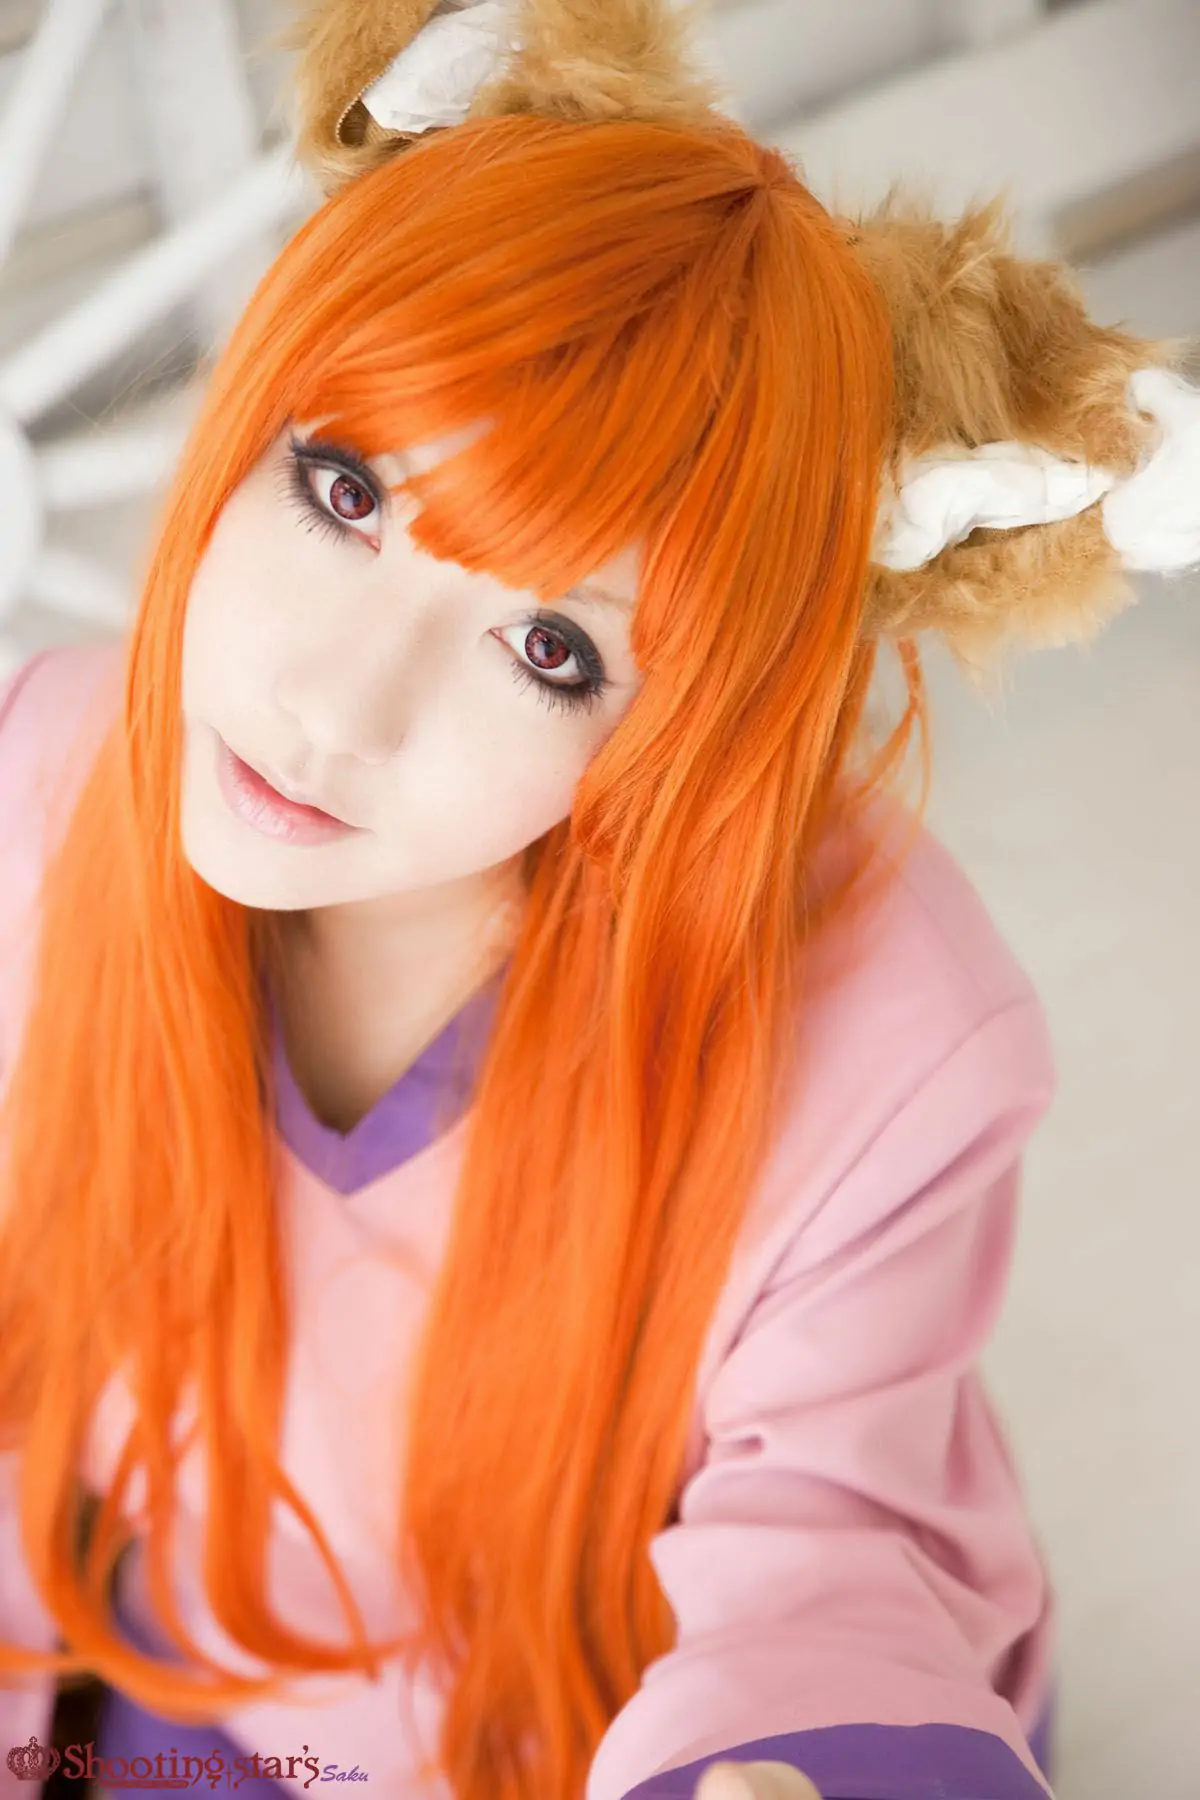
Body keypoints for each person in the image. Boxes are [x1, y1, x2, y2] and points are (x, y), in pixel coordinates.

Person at [1, 2, 1197, 1797]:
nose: (335, 706)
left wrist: (790, 1770)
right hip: (187, 1637)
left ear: (691, 712)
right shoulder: (42, 776)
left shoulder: (891, 1045)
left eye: (550, 647)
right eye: (342, 488)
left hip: (576, 1721)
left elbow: (823, 1545)